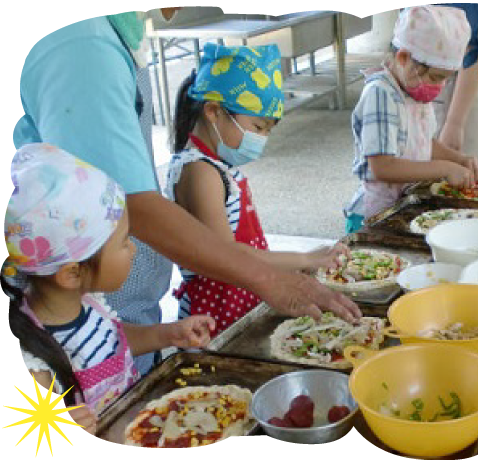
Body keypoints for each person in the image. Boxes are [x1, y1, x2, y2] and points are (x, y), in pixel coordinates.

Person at [15, 10, 361, 374]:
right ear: (214, 113)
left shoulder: (109, 37)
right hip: (113, 300)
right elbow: (133, 204)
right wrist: (272, 277)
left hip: (127, 310)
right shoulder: (83, 44)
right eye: (257, 126)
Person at [3, 144, 216, 434]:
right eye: (124, 241)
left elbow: (113, 340)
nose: (132, 250)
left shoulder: (90, 305)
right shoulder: (36, 363)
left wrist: (167, 334)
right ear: (71, 274)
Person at [167, 43, 349, 335]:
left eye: (267, 131)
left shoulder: (217, 165)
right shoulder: (200, 172)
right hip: (216, 313)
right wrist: (302, 259)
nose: (262, 139)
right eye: (258, 127)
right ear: (213, 111)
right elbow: (228, 255)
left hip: (243, 293)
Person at [344, 5, 478, 233]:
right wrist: (444, 169)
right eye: (435, 77)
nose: (438, 87)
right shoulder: (380, 94)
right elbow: (383, 167)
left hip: (406, 205)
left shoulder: (412, 89)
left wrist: (459, 159)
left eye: (445, 80)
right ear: (404, 57)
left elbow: (423, 142)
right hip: (377, 215)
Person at [434, 3, 478, 166]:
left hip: (457, 95)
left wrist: (455, 123)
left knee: (453, 185)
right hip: (429, 92)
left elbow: (476, 50)